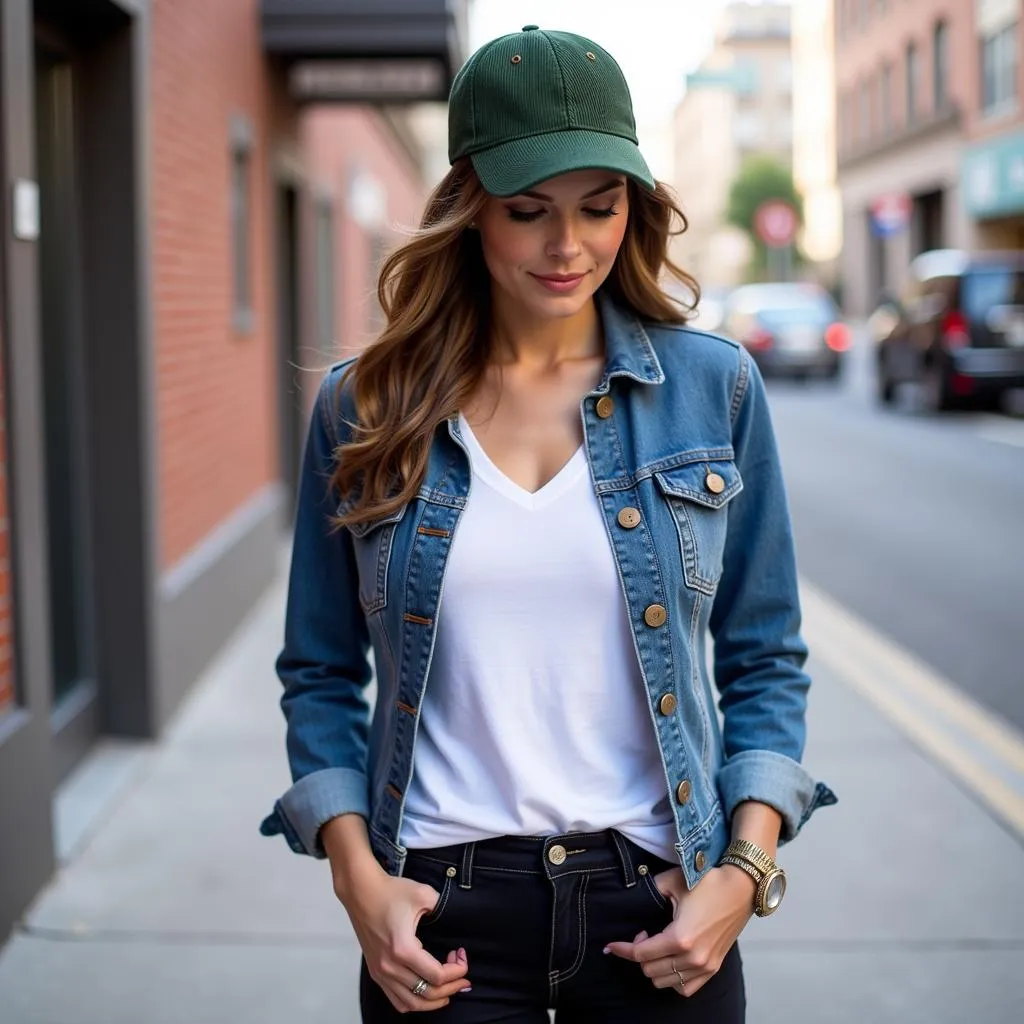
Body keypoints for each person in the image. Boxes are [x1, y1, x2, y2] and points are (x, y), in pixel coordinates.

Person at [260, 24, 836, 1023]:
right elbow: (317, 669)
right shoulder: (366, 405)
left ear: (635, 210)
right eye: (527, 212)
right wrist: (358, 881)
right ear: (469, 211)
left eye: (598, 207)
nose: (567, 246)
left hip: (657, 905)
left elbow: (764, 659)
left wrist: (740, 875)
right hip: (441, 914)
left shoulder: (715, 390)